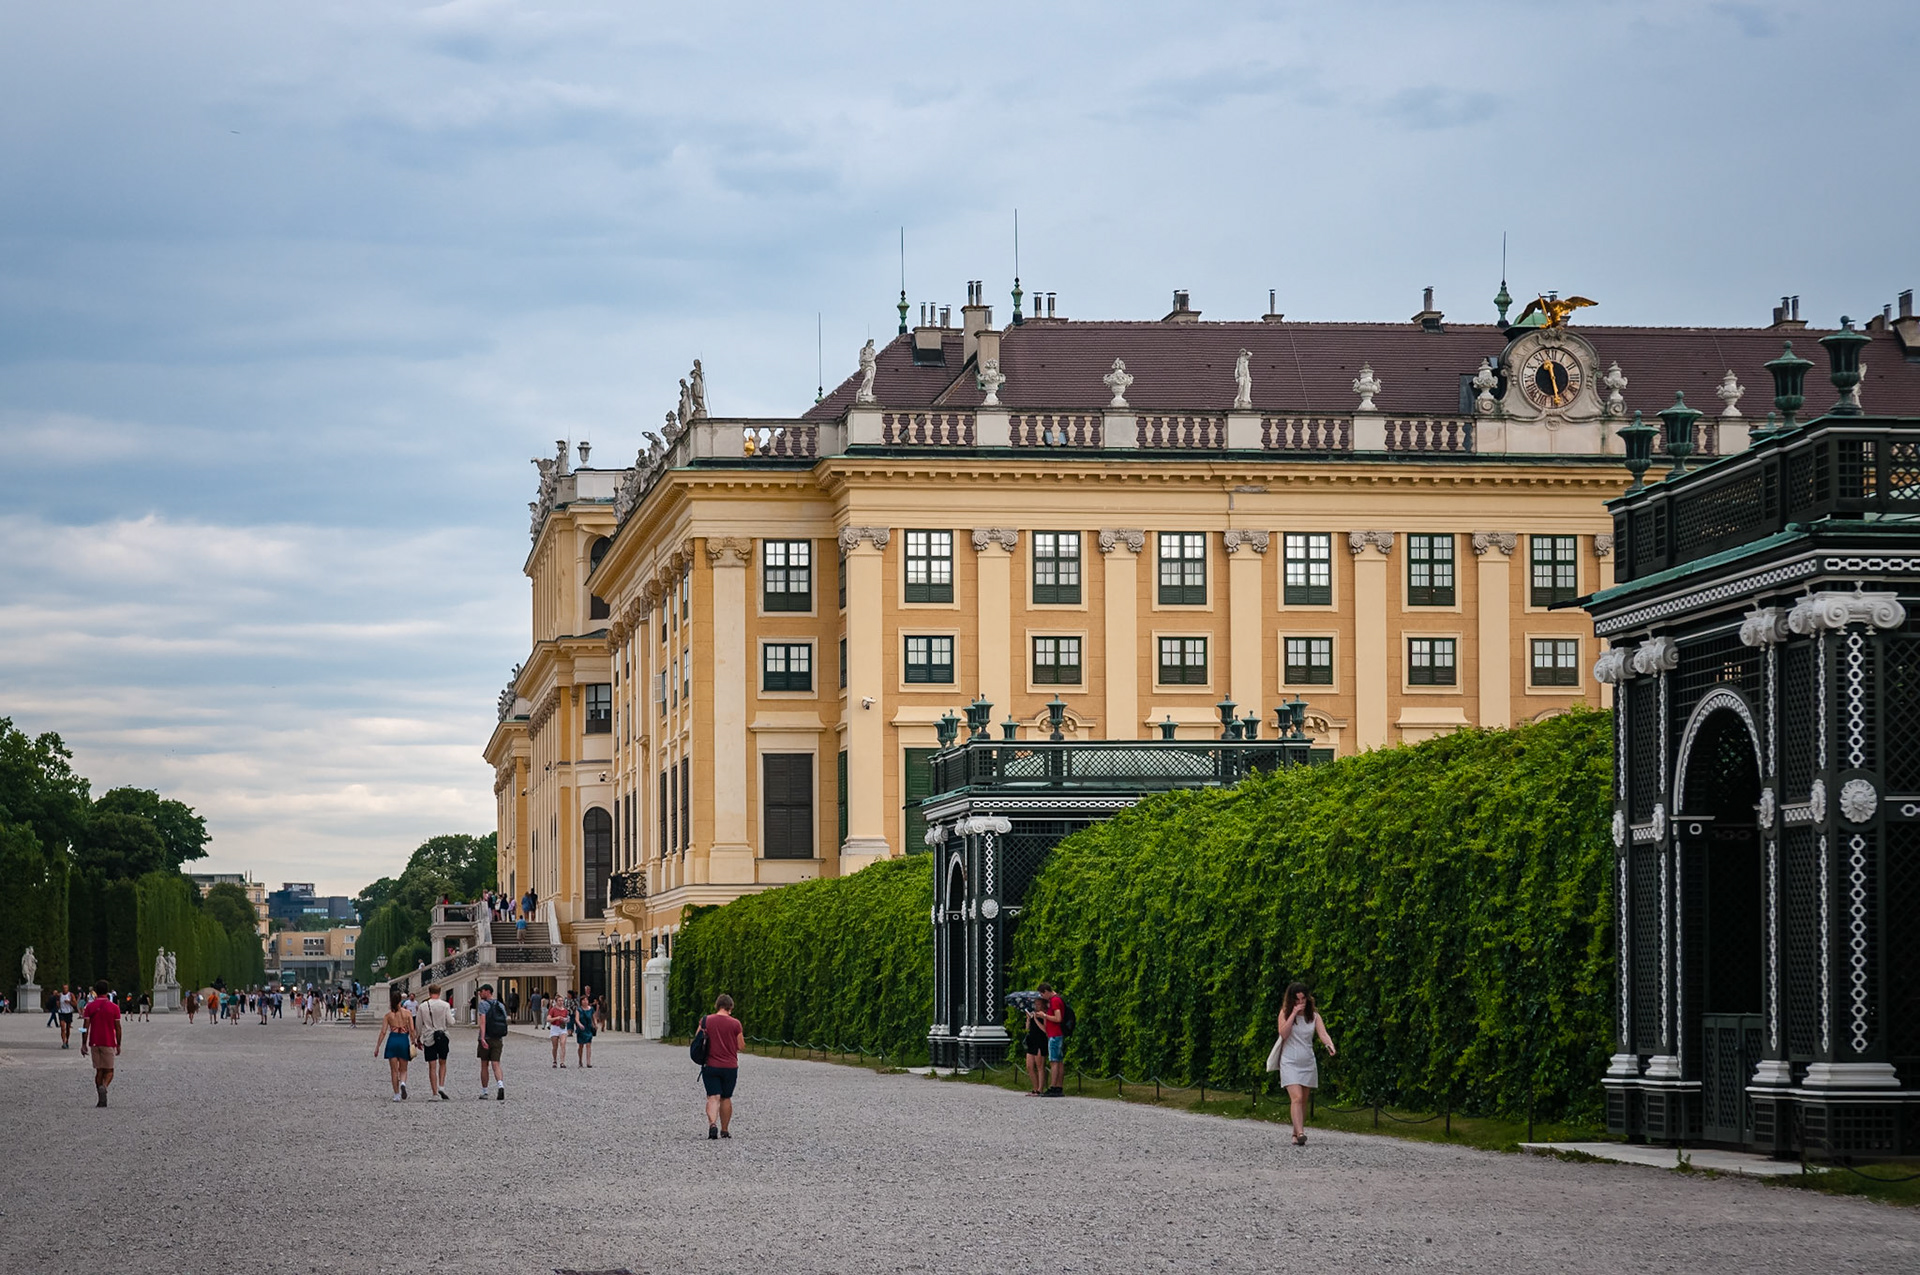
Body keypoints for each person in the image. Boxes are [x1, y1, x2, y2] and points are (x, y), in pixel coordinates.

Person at [1276, 982, 1337, 1147]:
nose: (1300, 1002)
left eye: (1303, 999)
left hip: (1307, 1061)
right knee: (1296, 1097)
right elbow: (1283, 1033)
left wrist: (1329, 1045)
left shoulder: (1314, 1016)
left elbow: (1323, 1033)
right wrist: (1293, 1014)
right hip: (1289, 1061)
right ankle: (1301, 1133)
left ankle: (1295, 1133)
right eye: (1297, 1000)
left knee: (1303, 1100)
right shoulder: (1284, 1013)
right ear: (1291, 1000)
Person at [698, 993, 744, 1140]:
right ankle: (724, 1130)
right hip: (730, 1066)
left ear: (717, 1006)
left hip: (711, 1065)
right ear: (730, 1007)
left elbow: (698, 1040)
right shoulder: (735, 1023)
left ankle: (712, 1124)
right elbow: (741, 1045)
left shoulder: (706, 1021)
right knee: (725, 1097)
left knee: (713, 1096)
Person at [81, 982, 122, 1105]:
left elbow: (84, 1027)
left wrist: (83, 1043)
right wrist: (118, 1044)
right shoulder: (114, 1007)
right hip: (108, 1041)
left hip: (94, 1041)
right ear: (107, 991)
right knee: (109, 1071)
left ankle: (100, 1095)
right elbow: (118, 1028)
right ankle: (104, 1086)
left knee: (99, 1070)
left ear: (96, 991)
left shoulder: (89, 1007)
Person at [414, 983, 454, 1100]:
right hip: (442, 1035)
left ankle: (435, 1093)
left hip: (429, 1036)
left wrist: (417, 1038)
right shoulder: (445, 1005)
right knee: (443, 1062)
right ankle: (441, 1086)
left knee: (432, 1065)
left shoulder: (423, 1006)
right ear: (440, 992)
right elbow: (451, 1022)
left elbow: (418, 1024)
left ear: (429, 992)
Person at [375, 988, 415, 1101]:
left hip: (392, 1039)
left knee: (394, 1070)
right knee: (403, 1069)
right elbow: (412, 1029)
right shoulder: (407, 1013)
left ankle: (396, 1094)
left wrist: (377, 1046)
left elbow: (383, 1032)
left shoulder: (388, 1015)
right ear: (400, 1000)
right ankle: (403, 1083)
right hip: (403, 1039)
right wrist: (414, 1041)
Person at [475, 983, 508, 1100]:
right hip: (498, 1038)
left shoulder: (483, 1004)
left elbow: (482, 1022)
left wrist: (482, 1038)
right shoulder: (500, 1005)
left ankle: (485, 1091)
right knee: (496, 1064)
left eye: (481, 991)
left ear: (488, 992)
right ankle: (500, 1085)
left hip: (487, 1037)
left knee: (484, 1064)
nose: (480, 993)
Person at [1037, 981, 1066, 1097]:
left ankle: (1053, 1086)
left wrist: (1045, 1016)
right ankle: (1058, 1087)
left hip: (1055, 1034)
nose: (1042, 997)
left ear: (1046, 992)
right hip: (1056, 1034)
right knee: (1059, 1061)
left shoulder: (1054, 1001)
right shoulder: (1057, 1000)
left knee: (1054, 1061)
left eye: (1042, 994)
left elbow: (1058, 1018)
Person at [1022, 996, 1049, 1096]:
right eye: (1035, 1004)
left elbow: (1045, 1030)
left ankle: (1040, 1089)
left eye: (1038, 1004)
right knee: (1029, 1066)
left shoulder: (1044, 1015)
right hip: (1032, 1040)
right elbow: (1027, 1029)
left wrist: (1037, 1019)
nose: (1036, 1006)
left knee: (1040, 1066)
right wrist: (1029, 1019)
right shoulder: (1033, 1013)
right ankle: (1035, 1087)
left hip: (1040, 1040)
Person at [573, 988, 597, 1069]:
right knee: (581, 1046)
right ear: (581, 1002)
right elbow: (577, 1019)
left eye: (586, 1000)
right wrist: (579, 1024)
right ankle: (580, 1060)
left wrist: (595, 1024)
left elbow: (593, 1017)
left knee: (588, 1045)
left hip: (588, 1028)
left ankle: (588, 1062)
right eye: (583, 1000)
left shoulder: (591, 1009)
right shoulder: (579, 1010)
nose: (585, 1001)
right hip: (581, 1029)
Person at [547, 993, 570, 1068]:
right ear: (556, 1001)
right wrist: (556, 1018)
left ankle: (562, 1062)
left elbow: (567, 1018)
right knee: (555, 1046)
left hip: (562, 1028)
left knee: (563, 1044)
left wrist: (566, 1020)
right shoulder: (553, 1010)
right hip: (554, 1028)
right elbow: (548, 1019)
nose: (561, 1002)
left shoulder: (565, 1010)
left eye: (562, 1001)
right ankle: (554, 1060)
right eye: (559, 1001)